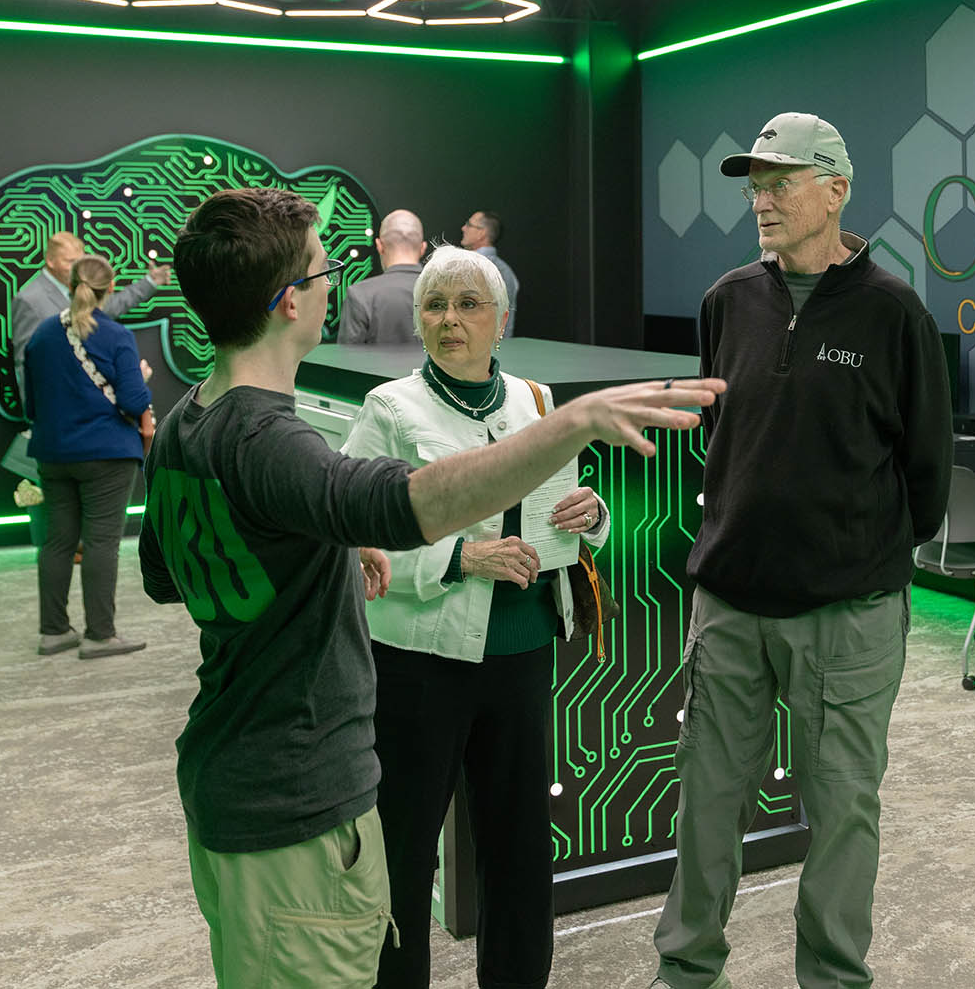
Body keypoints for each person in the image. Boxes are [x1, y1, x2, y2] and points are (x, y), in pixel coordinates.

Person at [136, 186, 723, 989]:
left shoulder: (186, 421)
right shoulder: (275, 439)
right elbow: (398, 505)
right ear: (288, 302)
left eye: (470, 305)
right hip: (295, 788)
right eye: (323, 272)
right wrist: (571, 427)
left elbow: (166, 575)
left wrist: (330, 547)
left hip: (234, 770)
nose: (336, 288)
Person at [651, 113, 952, 989]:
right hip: (729, 606)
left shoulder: (894, 313)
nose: (762, 201)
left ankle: (831, 977)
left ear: (835, 190)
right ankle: (687, 970)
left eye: (780, 182)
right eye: (755, 186)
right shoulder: (727, 301)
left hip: (846, 618)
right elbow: (725, 437)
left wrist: (851, 554)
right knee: (706, 803)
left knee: (843, 812)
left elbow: (927, 473)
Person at [343, 245, 610, 989]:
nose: (449, 320)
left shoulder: (536, 401)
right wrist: (460, 559)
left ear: (502, 319)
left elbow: (564, 515)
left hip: (523, 656)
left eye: (468, 305)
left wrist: (593, 517)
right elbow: (356, 542)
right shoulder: (390, 409)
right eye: (435, 305)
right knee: (404, 853)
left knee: (519, 850)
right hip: (419, 665)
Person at [23, 253, 156, 659]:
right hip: (107, 454)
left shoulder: (42, 335)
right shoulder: (116, 336)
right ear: (110, 288)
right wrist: (142, 379)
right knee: (101, 542)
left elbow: (31, 406)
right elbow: (133, 401)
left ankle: (53, 632)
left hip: (53, 452)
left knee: (57, 542)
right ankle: (100, 634)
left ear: (69, 285)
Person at [11, 231, 169, 403]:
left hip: (88, 400)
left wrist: (150, 282)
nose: (77, 268)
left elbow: (111, 306)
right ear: (50, 261)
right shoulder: (29, 300)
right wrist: (35, 410)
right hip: (57, 404)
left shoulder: (81, 288)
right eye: (70, 262)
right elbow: (25, 361)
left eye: (80, 261)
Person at [342, 210, 428, 345]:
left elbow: (347, 354)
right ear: (423, 248)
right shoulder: (444, 291)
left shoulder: (360, 295)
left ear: (379, 246)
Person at [461, 210, 519, 337]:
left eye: (469, 224)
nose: (463, 228)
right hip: (501, 345)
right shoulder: (507, 271)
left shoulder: (467, 268)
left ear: (481, 233)